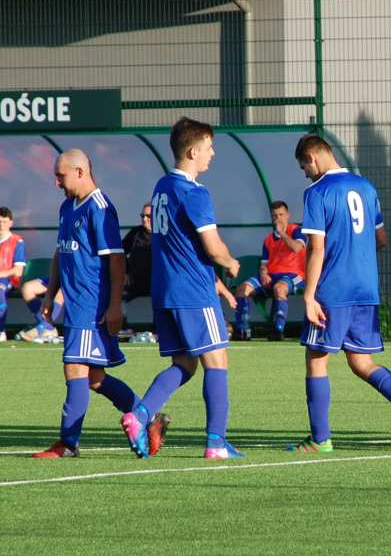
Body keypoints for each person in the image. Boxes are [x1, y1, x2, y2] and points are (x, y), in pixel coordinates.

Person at [288, 134, 391, 453]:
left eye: (303, 167)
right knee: (361, 361)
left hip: (334, 290)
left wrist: (309, 296)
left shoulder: (317, 192)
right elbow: (380, 239)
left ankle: (320, 439)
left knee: (316, 360)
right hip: (366, 288)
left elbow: (316, 249)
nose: (305, 174)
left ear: (312, 158)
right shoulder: (366, 187)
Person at [120, 116, 244, 460]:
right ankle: (216, 443)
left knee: (184, 364)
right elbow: (213, 247)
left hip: (166, 292)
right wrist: (231, 262)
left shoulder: (162, 187)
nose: (213, 154)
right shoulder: (195, 193)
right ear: (192, 151)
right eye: (208, 147)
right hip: (193, 290)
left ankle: (140, 414)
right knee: (217, 361)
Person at [32, 149, 168, 459]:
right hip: (75, 305)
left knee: (75, 369)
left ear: (80, 172)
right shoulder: (68, 207)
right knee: (93, 378)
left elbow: (116, 261)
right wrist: (50, 293)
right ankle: (146, 417)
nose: (56, 182)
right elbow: (60, 253)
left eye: (60, 175)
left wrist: (115, 305)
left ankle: (68, 443)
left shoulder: (100, 208)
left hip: (92, 305)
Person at [233, 201, 306, 341]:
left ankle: (278, 330)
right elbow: (264, 264)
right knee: (242, 289)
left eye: (281, 214)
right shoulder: (268, 239)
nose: (278, 218)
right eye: (274, 216)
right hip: (271, 275)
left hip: (295, 275)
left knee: (280, 288)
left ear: (288, 215)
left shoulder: (296, 230)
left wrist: (282, 234)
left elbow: (297, 248)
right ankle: (242, 330)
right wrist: (264, 273)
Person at [0, 206, 26, 342]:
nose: (1, 225)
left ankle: (1, 331)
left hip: (10, 280)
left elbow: (18, 270)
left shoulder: (17, 241)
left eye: (4, 221)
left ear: (11, 223)